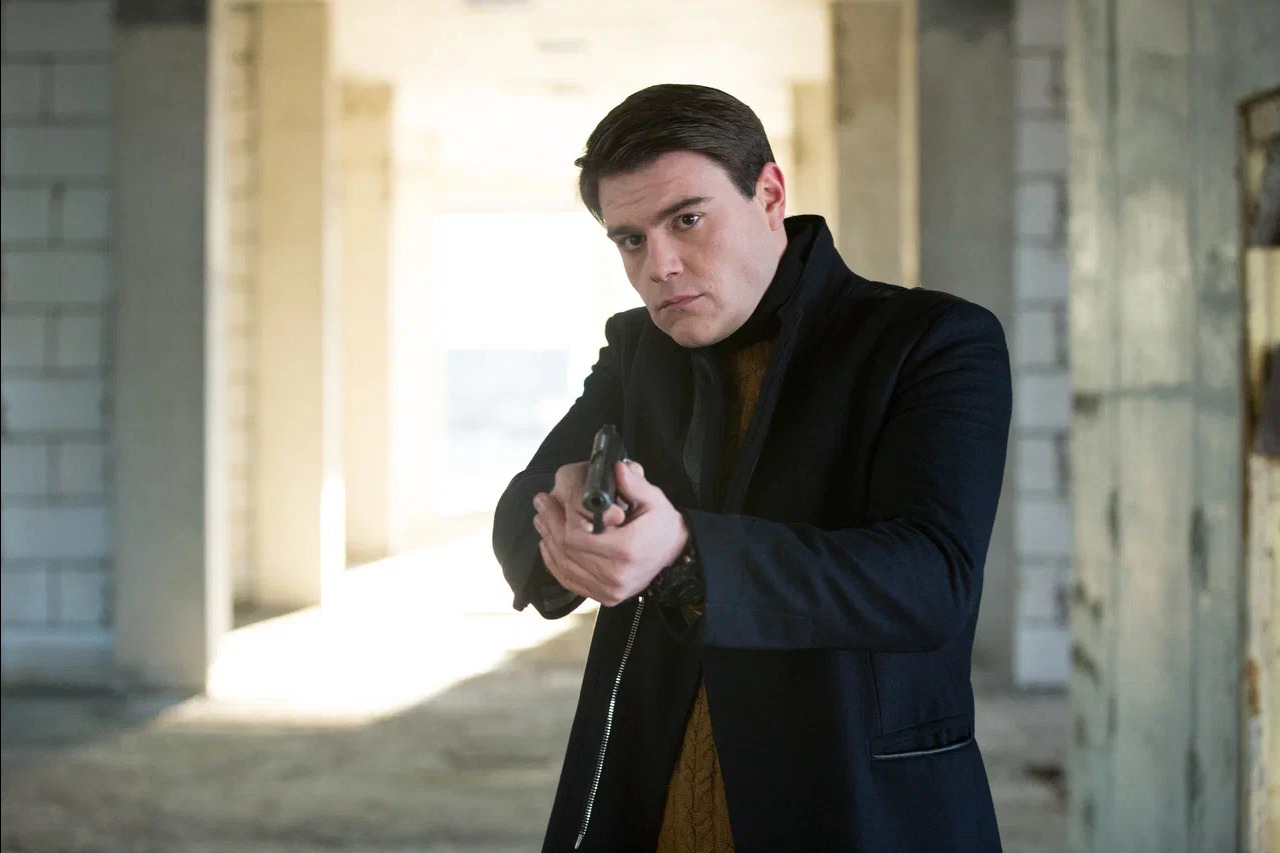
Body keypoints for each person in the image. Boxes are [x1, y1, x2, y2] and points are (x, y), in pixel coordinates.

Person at [492, 84, 1011, 853]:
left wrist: (685, 551)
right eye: (630, 239)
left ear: (769, 194)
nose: (660, 265)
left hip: (853, 811)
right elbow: (519, 512)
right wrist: (564, 519)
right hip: (652, 808)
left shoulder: (932, 339)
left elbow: (932, 581)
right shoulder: (638, 350)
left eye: (687, 220)